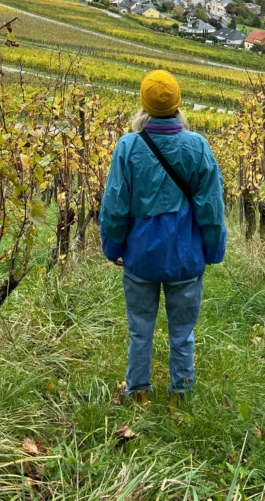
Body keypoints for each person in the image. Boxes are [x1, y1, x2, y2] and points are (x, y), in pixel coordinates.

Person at [100, 70, 226, 400]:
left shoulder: (128, 146)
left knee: (139, 330)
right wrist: (212, 250)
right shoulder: (197, 146)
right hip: (185, 257)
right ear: (177, 105)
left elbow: (115, 204)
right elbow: (211, 206)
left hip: (140, 257)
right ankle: (180, 396)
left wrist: (113, 245)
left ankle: (138, 392)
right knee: (182, 333)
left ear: (143, 105)